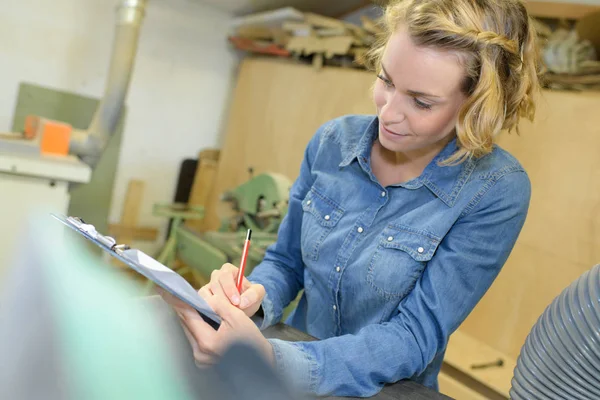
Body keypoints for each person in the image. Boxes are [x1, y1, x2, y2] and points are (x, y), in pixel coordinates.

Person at [160, 0, 541, 397]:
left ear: (477, 106)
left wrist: (277, 361)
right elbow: (286, 263)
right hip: (288, 365)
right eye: (386, 81)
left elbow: (413, 337)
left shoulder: (495, 190)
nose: (388, 113)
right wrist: (253, 298)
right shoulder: (332, 142)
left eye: (421, 102)